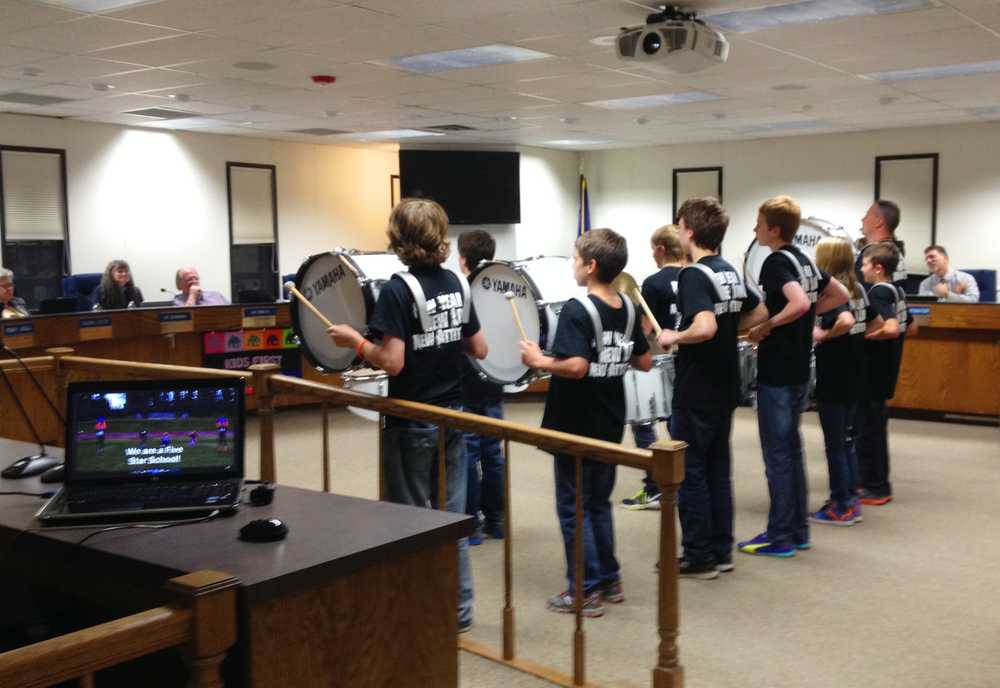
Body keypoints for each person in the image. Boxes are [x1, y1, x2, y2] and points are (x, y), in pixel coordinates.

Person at [328, 198, 487, 633]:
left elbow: (392, 362)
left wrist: (354, 343)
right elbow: (480, 349)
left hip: (413, 419)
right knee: (451, 518)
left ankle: (415, 609)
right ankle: (459, 611)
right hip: (454, 416)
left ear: (398, 238)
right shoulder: (458, 282)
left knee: (408, 519)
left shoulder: (398, 289)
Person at [520, 228, 652, 617]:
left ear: (591, 266)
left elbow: (575, 366)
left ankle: (585, 591)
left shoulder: (577, 310)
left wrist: (538, 360)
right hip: (609, 419)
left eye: (576, 259)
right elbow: (644, 361)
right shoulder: (629, 306)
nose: (573, 265)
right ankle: (610, 580)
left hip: (576, 422)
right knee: (597, 503)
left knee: (572, 507)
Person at [656, 199, 767, 578]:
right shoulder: (730, 271)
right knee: (719, 469)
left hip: (697, 386)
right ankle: (722, 550)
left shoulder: (694, 275)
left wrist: (675, 335)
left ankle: (699, 555)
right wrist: (728, 329)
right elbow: (760, 311)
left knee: (691, 471)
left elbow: (703, 327)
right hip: (725, 385)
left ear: (688, 230)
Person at [740, 196, 849, 559]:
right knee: (792, 450)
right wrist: (800, 318)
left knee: (778, 456)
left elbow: (799, 303)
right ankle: (798, 531)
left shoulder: (774, 262)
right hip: (800, 370)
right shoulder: (804, 260)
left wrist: (767, 326)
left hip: (779, 372)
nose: (755, 230)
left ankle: (780, 535)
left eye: (759, 224)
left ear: (773, 229)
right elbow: (840, 294)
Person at [808, 237, 871, 527]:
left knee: (835, 443)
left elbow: (844, 321)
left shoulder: (834, 291)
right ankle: (850, 499)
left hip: (835, 374)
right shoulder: (860, 290)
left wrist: (823, 335)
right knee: (846, 440)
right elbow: (872, 322)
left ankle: (840, 505)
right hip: (856, 372)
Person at [622, 224, 685, 511]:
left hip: (656, 360)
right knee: (677, 423)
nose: (652, 255)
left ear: (661, 249)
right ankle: (680, 482)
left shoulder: (653, 282)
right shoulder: (692, 274)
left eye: (652, 249)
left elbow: (646, 328)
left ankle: (654, 486)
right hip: (685, 359)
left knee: (644, 423)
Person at [456, 230, 505, 543]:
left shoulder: (461, 289)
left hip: (465, 384)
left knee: (468, 456)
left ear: (462, 259)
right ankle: (496, 522)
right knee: (493, 456)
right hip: (495, 381)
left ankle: (472, 524)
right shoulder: (502, 287)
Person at [858, 243, 914, 506]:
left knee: (870, 431)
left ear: (878, 268)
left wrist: (866, 337)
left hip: (873, 372)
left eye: (865, 264)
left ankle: (877, 487)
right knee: (876, 428)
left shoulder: (879, 292)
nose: (861, 268)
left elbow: (891, 327)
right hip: (887, 370)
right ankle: (873, 482)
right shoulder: (898, 290)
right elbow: (910, 328)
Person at [856, 200, 907, 289]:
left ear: (879, 222)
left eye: (867, 215)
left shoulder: (873, 255)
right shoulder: (894, 250)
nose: (862, 219)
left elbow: (862, 296)